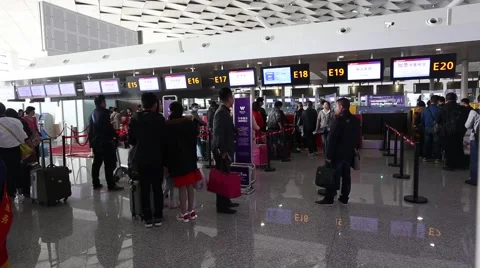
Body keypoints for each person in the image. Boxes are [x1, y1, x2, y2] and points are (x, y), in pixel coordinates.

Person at [128, 93, 167, 227]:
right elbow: (164, 141)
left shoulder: (135, 118)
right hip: (157, 157)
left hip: (142, 158)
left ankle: (147, 217)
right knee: (157, 188)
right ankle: (158, 216)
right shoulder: (160, 119)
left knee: (144, 187)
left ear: (143, 104)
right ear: (155, 104)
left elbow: (131, 140)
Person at [316, 98, 360, 205]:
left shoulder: (338, 120)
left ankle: (329, 198)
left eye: (336, 106)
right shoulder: (355, 120)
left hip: (337, 155)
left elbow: (332, 140)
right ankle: (344, 197)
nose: (335, 108)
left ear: (341, 107)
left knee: (333, 175)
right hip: (349, 154)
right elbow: (356, 138)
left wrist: (328, 156)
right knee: (346, 176)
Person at [165, 101, 202, 223]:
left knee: (182, 187)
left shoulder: (169, 125)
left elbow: (168, 145)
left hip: (177, 160)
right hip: (190, 158)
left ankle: (183, 213)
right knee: (190, 186)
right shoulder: (189, 123)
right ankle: (191, 211)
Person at [88, 95, 123, 191]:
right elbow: (108, 128)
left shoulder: (92, 113)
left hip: (96, 143)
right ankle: (111, 185)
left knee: (96, 163)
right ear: (102, 102)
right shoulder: (104, 113)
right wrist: (116, 136)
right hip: (105, 142)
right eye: (105, 101)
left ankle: (95, 183)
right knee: (109, 164)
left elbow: (91, 130)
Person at [212, 87, 238, 214]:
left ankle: (226, 201)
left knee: (226, 176)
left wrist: (236, 131)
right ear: (229, 98)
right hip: (222, 151)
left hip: (225, 149)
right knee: (222, 178)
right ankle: (221, 206)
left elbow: (227, 128)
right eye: (232, 97)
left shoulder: (225, 111)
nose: (233, 100)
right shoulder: (221, 112)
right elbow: (218, 133)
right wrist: (222, 151)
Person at [0, 102, 28, 198]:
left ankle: (7, 191)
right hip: (15, 149)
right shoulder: (15, 121)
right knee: (16, 169)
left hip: (2, 151)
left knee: (4, 172)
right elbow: (23, 136)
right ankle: (18, 190)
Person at [436, 93, 469, 170]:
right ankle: (460, 164)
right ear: (456, 98)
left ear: (446, 99)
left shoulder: (442, 108)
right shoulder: (462, 108)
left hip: (446, 132)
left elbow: (438, 120)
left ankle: (449, 165)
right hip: (459, 132)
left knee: (448, 148)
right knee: (458, 147)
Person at [5, 109, 33, 202]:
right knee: (20, 169)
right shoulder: (17, 121)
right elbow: (25, 137)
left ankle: (10, 192)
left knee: (8, 172)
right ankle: (23, 190)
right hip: (17, 150)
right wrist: (31, 148)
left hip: (3, 152)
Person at [464, 95, 480, 186]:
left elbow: (467, 125)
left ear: (478, 101)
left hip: (476, 138)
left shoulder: (474, 112)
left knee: (475, 159)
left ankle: (474, 179)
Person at [421, 95, 441, 162]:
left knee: (426, 142)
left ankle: (425, 157)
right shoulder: (439, 109)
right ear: (437, 101)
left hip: (427, 128)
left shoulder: (425, 109)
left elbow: (422, 119)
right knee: (436, 143)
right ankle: (437, 158)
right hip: (436, 128)